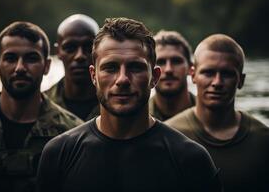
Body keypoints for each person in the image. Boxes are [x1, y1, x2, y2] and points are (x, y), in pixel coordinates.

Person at [37, 17, 222, 192]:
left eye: (135, 67)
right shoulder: (59, 154)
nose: (123, 79)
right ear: (93, 76)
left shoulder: (191, 159)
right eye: (110, 68)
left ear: (154, 77)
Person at [0, 21, 83, 192]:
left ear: (47, 66)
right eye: (10, 58)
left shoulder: (74, 135)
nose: (20, 68)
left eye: (31, 58)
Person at [165, 34, 269, 192]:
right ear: (193, 75)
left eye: (227, 74)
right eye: (208, 73)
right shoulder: (167, 136)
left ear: (240, 80)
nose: (217, 83)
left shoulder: (263, 140)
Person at [45, 14, 100, 121]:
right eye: (70, 48)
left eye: (88, 47)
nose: (80, 56)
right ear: (58, 52)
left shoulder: (116, 103)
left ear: (100, 50)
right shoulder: (40, 105)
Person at [149, 30, 195, 121]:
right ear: (149, 69)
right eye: (160, 62)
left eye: (176, 61)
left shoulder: (212, 114)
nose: (168, 69)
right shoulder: (137, 117)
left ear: (190, 67)